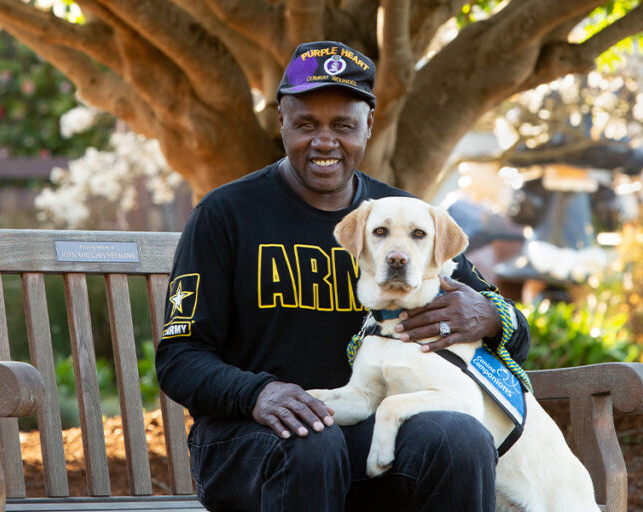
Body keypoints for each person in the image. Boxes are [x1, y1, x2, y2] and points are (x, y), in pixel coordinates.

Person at [155, 41, 530, 512]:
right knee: (313, 441)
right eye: (307, 124)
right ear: (282, 123)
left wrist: (488, 317)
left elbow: (511, 329)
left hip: (368, 436)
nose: (325, 141)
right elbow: (179, 356)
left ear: (368, 126)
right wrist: (258, 392)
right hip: (249, 441)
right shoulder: (225, 215)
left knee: (459, 436)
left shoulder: (403, 218)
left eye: (343, 126)